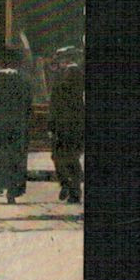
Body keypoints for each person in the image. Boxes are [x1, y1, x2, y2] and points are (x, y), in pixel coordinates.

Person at [0, 46, 34, 204]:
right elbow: (29, 109)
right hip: (17, 128)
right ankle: (13, 189)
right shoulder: (24, 83)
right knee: (15, 158)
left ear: (0, 64)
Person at [48, 48, 84, 203]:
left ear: (66, 59)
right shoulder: (75, 74)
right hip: (76, 124)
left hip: (64, 124)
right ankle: (72, 188)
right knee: (71, 157)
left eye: (60, 59)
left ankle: (69, 186)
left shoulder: (65, 76)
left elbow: (56, 103)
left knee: (60, 156)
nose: (58, 62)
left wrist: (51, 125)